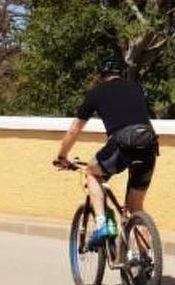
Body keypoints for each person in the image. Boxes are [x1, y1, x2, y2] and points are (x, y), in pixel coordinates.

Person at [53, 56, 158, 248]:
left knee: (92, 172)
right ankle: (146, 265)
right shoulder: (135, 88)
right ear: (120, 73)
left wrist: (62, 156)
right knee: (136, 209)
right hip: (149, 143)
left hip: (122, 142)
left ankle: (102, 224)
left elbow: (74, 129)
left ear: (101, 75)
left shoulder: (96, 93)